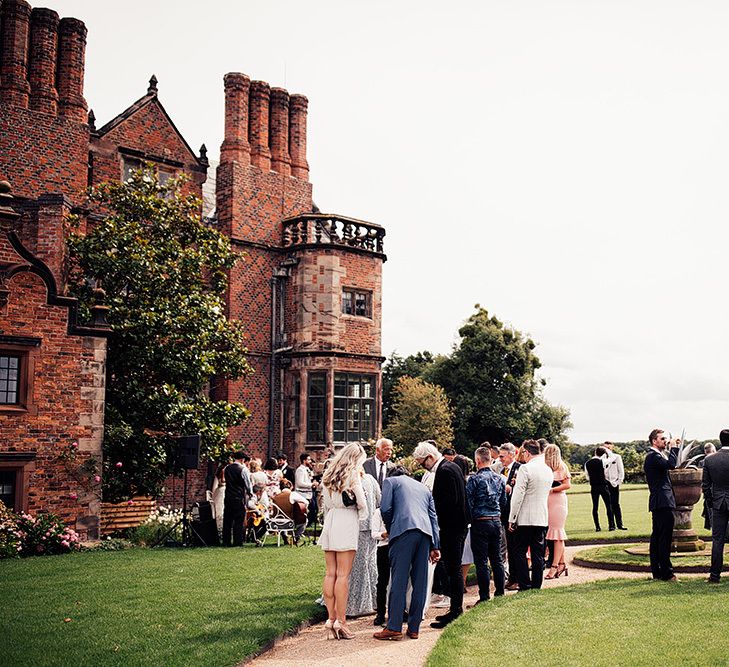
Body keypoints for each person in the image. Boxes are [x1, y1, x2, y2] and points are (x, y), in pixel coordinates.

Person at [373, 471, 440, 641]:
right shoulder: (424, 488)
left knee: (399, 580)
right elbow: (433, 517)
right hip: (425, 534)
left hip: (403, 532)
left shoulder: (390, 481)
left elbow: (386, 509)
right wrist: (435, 545)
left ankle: (394, 627)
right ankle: (414, 628)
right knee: (420, 582)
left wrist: (391, 527)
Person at [412, 441, 468, 628]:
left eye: (422, 463)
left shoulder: (444, 470)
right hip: (457, 525)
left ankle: (456, 610)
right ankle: (455, 608)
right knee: (453, 568)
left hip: (451, 527)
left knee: (453, 569)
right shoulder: (451, 467)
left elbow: (447, 502)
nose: (422, 467)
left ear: (429, 457)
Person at [319, 443, 368, 640]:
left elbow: (326, 505)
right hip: (346, 521)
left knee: (330, 573)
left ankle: (331, 619)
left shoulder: (328, 474)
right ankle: (342, 621)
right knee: (343, 576)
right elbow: (362, 503)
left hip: (331, 520)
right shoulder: (353, 474)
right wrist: (362, 515)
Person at [508, 439, 553, 591]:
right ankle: (536, 585)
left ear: (527, 452)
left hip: (525, 518)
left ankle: (525, 584)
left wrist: (512, 518)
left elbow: (517, 496)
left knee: (519, 551)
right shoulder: (548, 469)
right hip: (541, 516)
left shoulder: (525, 469)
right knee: (538, 553)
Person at [465, 446, 506, 603]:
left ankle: (484, 596)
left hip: (480, 522)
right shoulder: (499, 479)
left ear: (477, 460)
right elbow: (503, 501)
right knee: (496, 558)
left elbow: (469, 503)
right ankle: (500, 592)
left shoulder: (474, 479)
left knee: (481, 560)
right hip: (496, 520)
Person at [644, 428, 680, 582]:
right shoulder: (653, 457)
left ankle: (657, 572)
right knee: (664, 538)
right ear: (654, 441)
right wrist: (674, 448)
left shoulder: (655, 456)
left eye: (666, 438)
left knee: (658, 538)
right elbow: (672, 465)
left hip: (659, 501)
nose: (665, 441)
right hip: (663, 501)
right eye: (663, 438)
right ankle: (667, 573)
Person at [347, 468, 381, 616]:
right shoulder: (371, 479)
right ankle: (374, 600)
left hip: (358, 525)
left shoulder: (354, 480)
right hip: (370, 525)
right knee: (370, 563)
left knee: (359, 564)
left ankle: (358, 604)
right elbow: (379, 500)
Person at [702, 429, 729, 583]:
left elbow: (705, 486)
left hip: (718, 503)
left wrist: (712, 502)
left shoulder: (710, 460)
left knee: (717, 540)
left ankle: (714, 576)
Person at [543, 444, 571, 579]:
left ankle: (554, 567)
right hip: (547, 501)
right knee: (554, 533)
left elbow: (568, 485)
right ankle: (561, 563)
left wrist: (553, 489)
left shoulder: (562, 466)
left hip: (558, 501)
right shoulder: (544, 467)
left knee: (557, 533)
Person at [499, 443, 521, 590]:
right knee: (508, 547)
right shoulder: (502, 470)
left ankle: (517, 578)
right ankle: (512, 577)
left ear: (512, 454)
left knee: (515, 547)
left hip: (514, 514)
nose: (500, 459)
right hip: (504, 513)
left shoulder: (519, 468)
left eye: (502, 456)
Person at [222, 450, 253, 547]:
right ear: (242, 459)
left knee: (227, 520)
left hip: (228, 496)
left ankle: (226, 541)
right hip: (238, 496)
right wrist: (250, 493)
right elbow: (248, 483)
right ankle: (237, 541)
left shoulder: (227, 468)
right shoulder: (243, 469)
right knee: (238, 520)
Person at [584, 446, 615, 531]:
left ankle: (597, 527)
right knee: (608, 506)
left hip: (593, 487)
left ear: (595, 452)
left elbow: (587, 477)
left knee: (595, 507)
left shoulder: (587, 463)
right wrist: (607, 450)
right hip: (603, 486)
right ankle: (611, 526)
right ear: (603, 454)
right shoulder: (602, 461)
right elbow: (613, 458)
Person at [603, 442, 627, 530]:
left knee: (616, 504)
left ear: (611, 448)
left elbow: (621, 470)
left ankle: (620, 525)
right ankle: (611, 525)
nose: (606, 450)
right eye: (605, 448)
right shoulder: (602, 459)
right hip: (605, 483)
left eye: (608, 448)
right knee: (608, 505)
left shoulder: (617, 457)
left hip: (614, 483)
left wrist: (618, 482)